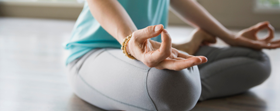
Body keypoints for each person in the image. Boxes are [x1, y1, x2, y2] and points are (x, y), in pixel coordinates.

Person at [65, 0, 280, 110]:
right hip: (93, 55)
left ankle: (187, 84)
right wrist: (130, 41)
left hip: (152, 52)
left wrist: (229, 37)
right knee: (171, 86)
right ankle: (185, 81)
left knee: (257, 60)